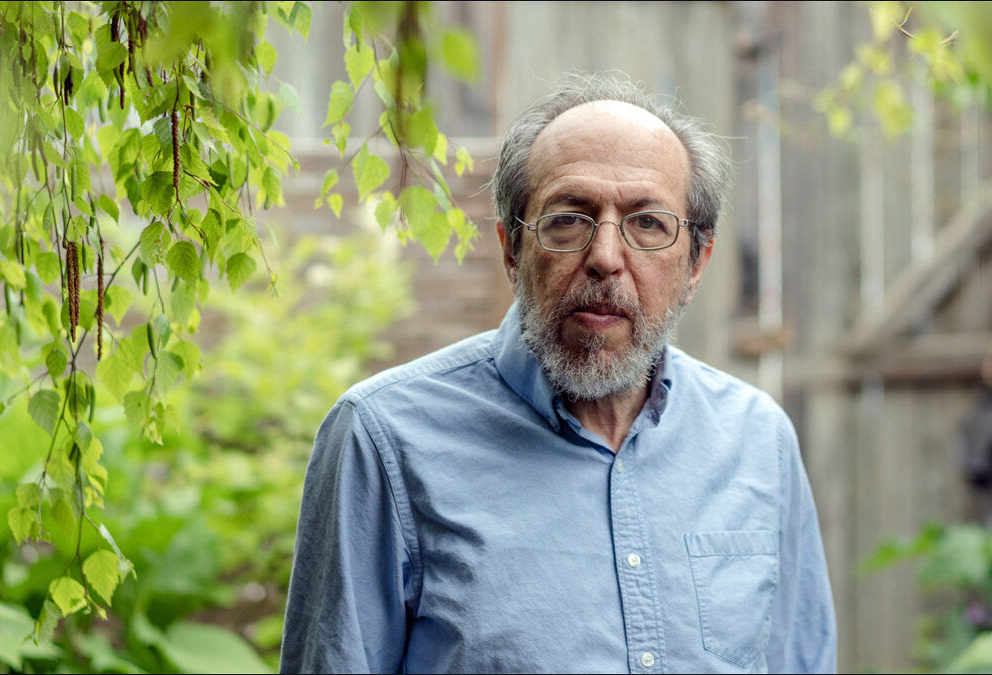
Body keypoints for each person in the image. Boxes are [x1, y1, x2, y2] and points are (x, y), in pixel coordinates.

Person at [278, 72, 837, 674]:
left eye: (648, 223)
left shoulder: (758, 441)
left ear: (696, 262)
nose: (604, 256)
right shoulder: (382, 440)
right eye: (568, 218)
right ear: (511, 250)